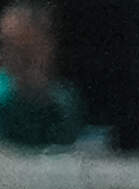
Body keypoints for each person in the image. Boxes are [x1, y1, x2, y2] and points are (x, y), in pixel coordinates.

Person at [0, 1, 85, 152]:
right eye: (8, 46)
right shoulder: (3, 95)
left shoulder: (65, 102)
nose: (15, 57)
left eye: (26, 49)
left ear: (49, 46)